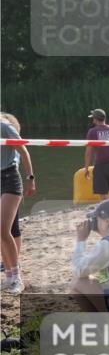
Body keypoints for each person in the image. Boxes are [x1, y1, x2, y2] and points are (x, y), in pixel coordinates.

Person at [1, 113, 35, 295]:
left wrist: (31, 178)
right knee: (2, 232)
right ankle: (8, 277)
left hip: (10, 179)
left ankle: (17, 278)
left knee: (3, 229)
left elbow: (24, 151)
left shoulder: (5, 127)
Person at [84, 108, 109, 199]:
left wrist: (86, 168)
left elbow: (88, 153)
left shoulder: (92, 132)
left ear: (95, 119)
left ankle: (107, 211)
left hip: (101, 165)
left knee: (103, 194)